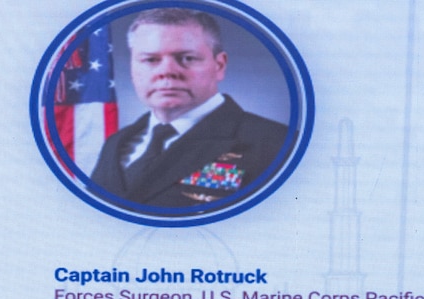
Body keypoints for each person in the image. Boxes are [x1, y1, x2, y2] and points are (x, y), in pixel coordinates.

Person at [85, 8, 288, 210]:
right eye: (150, 60)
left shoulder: (279, 145)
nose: (166, 71)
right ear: (132, 68)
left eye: (187, 58)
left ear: (219, 66)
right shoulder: (117, 143)